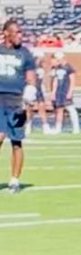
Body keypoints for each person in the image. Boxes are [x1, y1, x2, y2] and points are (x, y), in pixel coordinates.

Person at [0, 20, 36, 192]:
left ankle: (15, 180)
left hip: (16, 100)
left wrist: (30, 93)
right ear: (6, 33)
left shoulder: (25, 53)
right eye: (17, 32)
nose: (20, 35)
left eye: (21, 32)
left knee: (16, 141)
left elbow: (30, 77)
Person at [51, 50, 79, 134]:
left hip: (65, 90)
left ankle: (76, 128)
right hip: (59, 91)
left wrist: (70, 92)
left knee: (70, 109)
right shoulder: (57, 68)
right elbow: (55, 80)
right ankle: (58, 128)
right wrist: (53, 92)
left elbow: (72, 80)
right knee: (59, 109)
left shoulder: (68, 67)